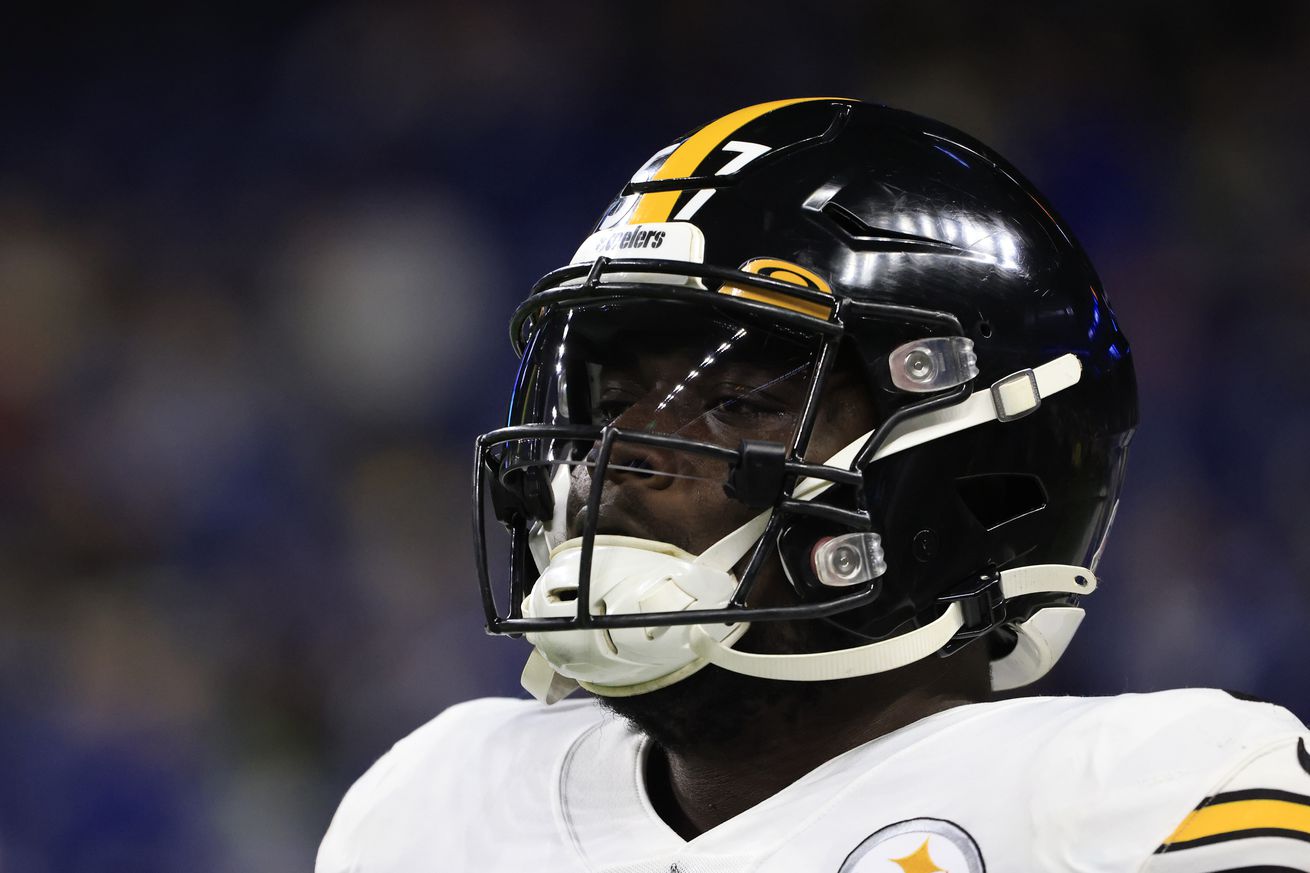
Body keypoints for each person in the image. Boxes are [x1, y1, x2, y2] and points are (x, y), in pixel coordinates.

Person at [317, 98, 1310, 872]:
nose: (624, 452)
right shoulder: (429, 804)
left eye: (739, 403)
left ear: (965, 473)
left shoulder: (1153, 799)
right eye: (611, 400)